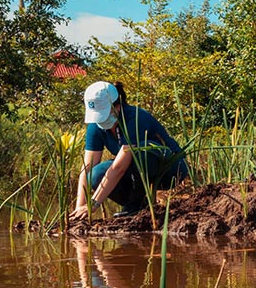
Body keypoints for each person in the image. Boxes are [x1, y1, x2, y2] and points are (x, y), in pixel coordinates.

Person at [69, 81, 188, 220]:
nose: (100, 121)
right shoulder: (96, 127)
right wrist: (80, 207)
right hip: (135, 172)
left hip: (169, 169)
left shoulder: (134, 118)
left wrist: (94, 204)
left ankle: (134, 205)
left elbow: (119, 167)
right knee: (95, 175)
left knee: (142, 151)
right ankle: (141, 206)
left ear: (117, 107)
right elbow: (87, 168)